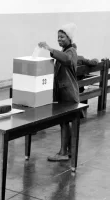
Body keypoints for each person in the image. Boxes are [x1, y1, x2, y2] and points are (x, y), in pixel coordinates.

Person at [38, 23, 79, 161]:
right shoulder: (65, 51)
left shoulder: (71, 51)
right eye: (58, 37)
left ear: (69, 37)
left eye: (62, 37)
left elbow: (67, 59)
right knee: (65, 122)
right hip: (64, 93)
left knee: (65, 122)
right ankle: (66, 151)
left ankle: (63, 153)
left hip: (68, 93)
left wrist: (50, 48)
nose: (59, 39)